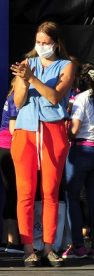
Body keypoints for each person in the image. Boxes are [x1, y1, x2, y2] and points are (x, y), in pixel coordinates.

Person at [10, 21, 75, 267]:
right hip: (26, 130)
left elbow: (55, 96)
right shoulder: (27, 64)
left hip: (53, 131)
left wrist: (33, 79)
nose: (41, 46)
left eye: (46, 43)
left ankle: (49, 247)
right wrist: (23, 81)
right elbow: (17, 102)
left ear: (56, 44)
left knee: (50, 192)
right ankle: (29, 249)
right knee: (25, 193)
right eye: (38, 42)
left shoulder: (66, 66)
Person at [62, 63, 94, 259]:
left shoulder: (81, 98)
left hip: (82, 151)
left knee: (72, 198)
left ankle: (78, 246)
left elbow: (73, 130)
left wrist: (66, 131)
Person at [0, 80, 22, 254]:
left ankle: (5, 240)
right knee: (13, 193)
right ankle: (13, 241)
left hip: (3, 147)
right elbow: (13, 128)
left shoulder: (13, 95)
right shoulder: (15, 98)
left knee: (11, 192)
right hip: (6, 148)